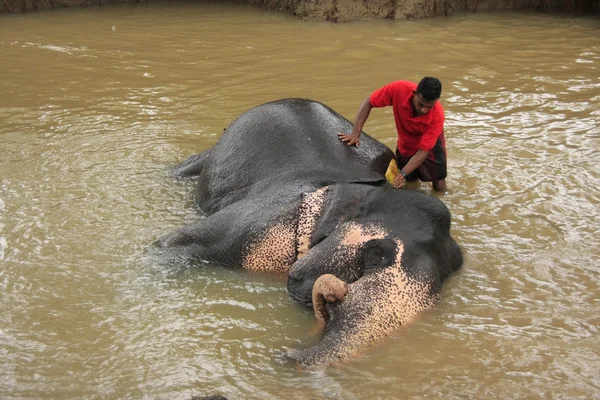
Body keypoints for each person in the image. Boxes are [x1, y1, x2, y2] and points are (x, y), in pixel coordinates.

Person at [338, 77, 448, 192]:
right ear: (414, 93)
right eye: (420, 104)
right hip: (406, 141)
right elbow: (368, 102)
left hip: (431, 144)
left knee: (439, 185)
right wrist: (355, 134)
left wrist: (402, 173)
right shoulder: (398, 89)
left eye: (429, 106)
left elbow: (423, 151)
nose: (424, 110)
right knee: (410, 182)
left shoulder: (437, 116)